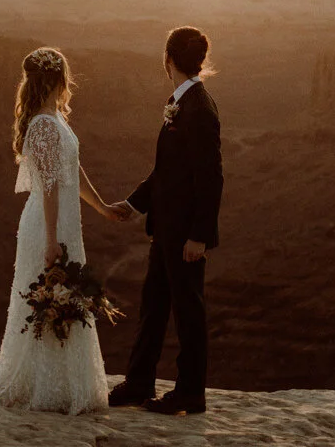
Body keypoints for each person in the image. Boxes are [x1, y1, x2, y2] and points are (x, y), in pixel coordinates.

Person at [0, 46, 127, 414]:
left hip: (65, 223)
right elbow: (52, 187)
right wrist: (52, 239)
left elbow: (74, 171)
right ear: (58, 79)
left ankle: (66, 382)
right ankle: (45, 384)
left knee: (65, 299)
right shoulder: (42, 125)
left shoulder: (55, 118)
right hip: (47, 226)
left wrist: (102, 208)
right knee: (49, 300)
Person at [107, 26, 224, 416]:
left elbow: (210, 179)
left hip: (185, 235)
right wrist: (134, 203)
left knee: (188, 310)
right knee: (153, 305)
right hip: (166, 228)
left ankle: (191, 392)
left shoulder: (199, 109)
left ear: (168, 60)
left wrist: (199, 237)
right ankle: (139, 381)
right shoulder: (184, 103)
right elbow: (167, 171)